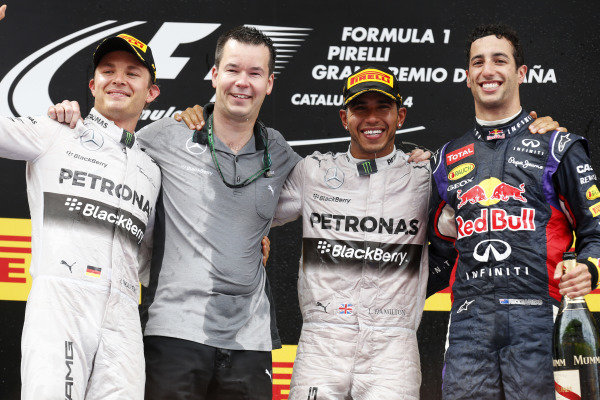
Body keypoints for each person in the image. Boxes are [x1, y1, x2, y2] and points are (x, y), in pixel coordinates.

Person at [176, 64, 561, 399]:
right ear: (345, 118)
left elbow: (491, 190)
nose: (372, 118)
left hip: (393, 342)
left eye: (383, 108)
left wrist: (532, 131)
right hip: (322, 338)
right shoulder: (312, 172)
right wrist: (197, 128)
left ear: (401, 116)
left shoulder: (426, 174)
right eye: (360, 108)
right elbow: (242, 208)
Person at [427, 24, 600, 399]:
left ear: (521, 73)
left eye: (499, 60)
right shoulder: (443, 160)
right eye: (478, 62)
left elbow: (596, 231)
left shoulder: (558, 146)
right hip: (468, 325)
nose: (488, 70)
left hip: (540, 317)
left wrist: (590, 268)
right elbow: (433, 250)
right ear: (467, 78)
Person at [0, 13, 161, 399]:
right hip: (61, 301)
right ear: (93, 85)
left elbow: (151, 258)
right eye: (108, 70)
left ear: (151, 92)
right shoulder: (56, 131)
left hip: (123, 312)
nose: (118, 79)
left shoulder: (152, 169)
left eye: (133, 73)